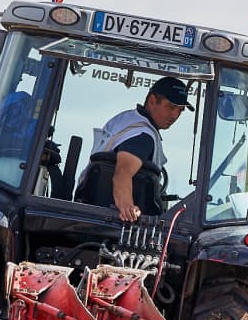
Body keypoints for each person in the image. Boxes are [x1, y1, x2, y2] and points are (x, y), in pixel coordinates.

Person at [75, 76, 193, 222]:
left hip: (86, 207)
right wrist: (127, 207)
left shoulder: (126, 119)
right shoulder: (143, 135)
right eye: (171, 107)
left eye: (180, 111)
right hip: (113, 221)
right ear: (151, 100)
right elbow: (122, 172)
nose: (175, 115)